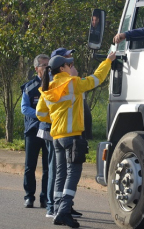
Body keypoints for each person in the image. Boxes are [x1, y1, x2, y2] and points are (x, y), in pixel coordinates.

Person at [36, 52, 116, 228]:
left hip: (56, 137)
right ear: (63, 68)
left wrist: (56, 119)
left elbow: (41, 115)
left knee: (60, 174)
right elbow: (97, 79)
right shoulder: (72, 84)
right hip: (71, 136)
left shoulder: (46, 88)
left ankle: (58, 209)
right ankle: (64, 211)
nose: (71, 67)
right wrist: (108, 61)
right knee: (73, 173)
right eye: (69, 65)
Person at [20, 54, 50, 208]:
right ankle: (29, 196)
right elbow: (24, 108)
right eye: (43, 65)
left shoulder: (54, 85)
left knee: (48, 166)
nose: (46, 68)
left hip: (48, 131)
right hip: (33, 130)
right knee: (30, 166)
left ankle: (45, 198)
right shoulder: (29, 87)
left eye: (48, 65)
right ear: (36, 68)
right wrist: (41, 116)